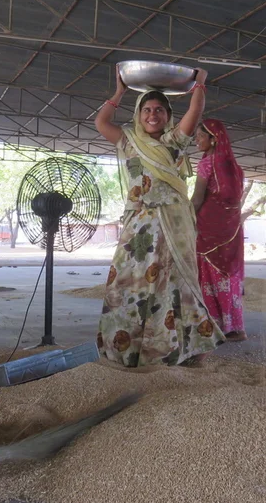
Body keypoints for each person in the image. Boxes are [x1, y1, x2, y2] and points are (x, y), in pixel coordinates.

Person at [93, 66, 225, 367]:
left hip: (170, 227)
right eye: (147, 110)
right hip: (138, 226)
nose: (153, 115)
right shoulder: (128, 141)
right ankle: (128, 348)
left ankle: (190, 346)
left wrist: (199, 85)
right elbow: (101, 121)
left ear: (168, 116)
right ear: (138, 115)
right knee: (124, 283)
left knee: (172, 282)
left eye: (159, 110)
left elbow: (196, 109)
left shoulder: (174, 141)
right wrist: (120, 91)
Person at [192, 119, 247, 340]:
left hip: (208, 229)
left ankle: (213, 326)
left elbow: (197, 198)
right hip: (231, 228)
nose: (196, 140)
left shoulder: (206, 164)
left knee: (208, 275)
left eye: (200, 136)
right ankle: (236, 327)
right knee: (228, 275)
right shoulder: (236, 168)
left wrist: (181, 216)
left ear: (213, 139)